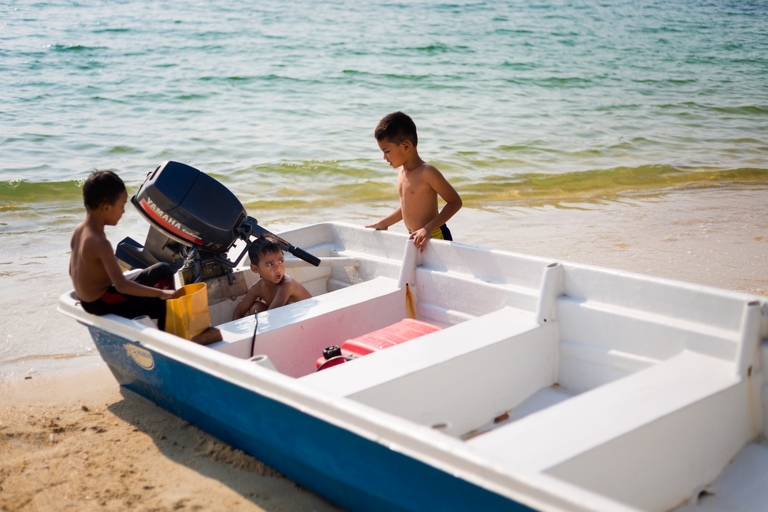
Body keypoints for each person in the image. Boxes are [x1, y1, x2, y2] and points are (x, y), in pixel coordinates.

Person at [69, 170, 179, 330]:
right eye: (121, 206)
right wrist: (160, 294)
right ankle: (170, 338)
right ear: (106, 207)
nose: (123, 212)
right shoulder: (100, 242)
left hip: (93, 299)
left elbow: (72, 271)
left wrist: (85, 294)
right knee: (161, 301)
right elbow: (122, 286)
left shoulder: (79, 230)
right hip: (103, 303)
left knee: (163, 270)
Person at [365, 111, 462, 251]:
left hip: (436, 236)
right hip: (416, 238)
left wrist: (427, 229)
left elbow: (455, 202)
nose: (384, 157)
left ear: (405, 146)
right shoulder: (402, 173)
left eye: (386, 151)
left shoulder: (427, 172)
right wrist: (384, 223)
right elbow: (407, 207)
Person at [232, 236, 312, 320]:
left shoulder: (287, 285)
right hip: (286, 320)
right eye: (270, 264)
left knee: (288, 307)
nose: (278, 269)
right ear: (255, 268)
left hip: (309, 319)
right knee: (256, 308)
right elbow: (239, 312)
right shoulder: (258, 287)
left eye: (280, 261)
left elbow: (272, 317)